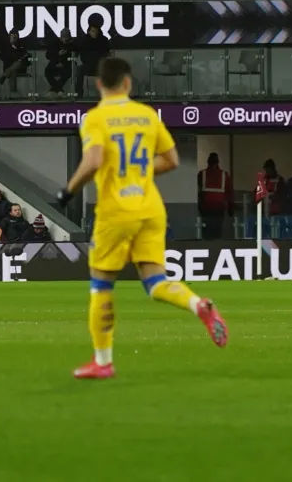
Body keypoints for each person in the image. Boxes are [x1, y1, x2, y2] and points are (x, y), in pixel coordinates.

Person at [58, 56, 228, 379]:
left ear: (99, 84)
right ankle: (198, 305)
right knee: (155, 282)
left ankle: (103, 361)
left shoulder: (96, 118)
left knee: (101, 284)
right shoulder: (147, 115)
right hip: (150, 207)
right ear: (127, 83)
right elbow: (172, 160)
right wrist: (138, 173)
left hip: (116, 210)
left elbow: (93, 160)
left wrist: (67, 191)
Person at [196, 152, 231, 238]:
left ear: (208, 162)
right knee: (217, 231)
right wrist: (231, 209)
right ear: (218, 162)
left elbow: (199, 191)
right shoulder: (224, 175)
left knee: (207, 231)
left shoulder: (201, 174)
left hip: (206, 207)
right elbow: (229, 192)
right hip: (219, 207)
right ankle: (217, 246)